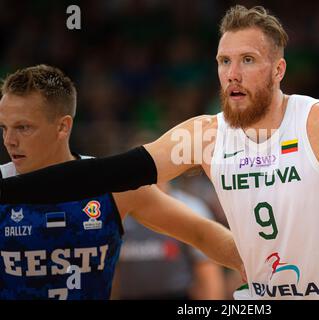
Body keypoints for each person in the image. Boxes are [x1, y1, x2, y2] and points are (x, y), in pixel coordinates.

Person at [0, 6, 319, 300]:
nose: (232, 74)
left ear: (278, 70)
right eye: (224, 61)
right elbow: (107, 174)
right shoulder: (204, 135)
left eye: (248, 60)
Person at [0, 64, 243, 299]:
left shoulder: (112, 185)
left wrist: (257, 263)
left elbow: (201, 234)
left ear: (63, 126)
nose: (9, 140)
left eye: (23, 127)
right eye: (4, 128)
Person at [113, 181, 226, 300]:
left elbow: (208, 272)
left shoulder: (191, 208)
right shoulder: (118, 210)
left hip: (178, 294)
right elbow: (110, 272)